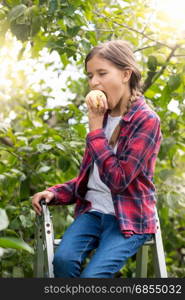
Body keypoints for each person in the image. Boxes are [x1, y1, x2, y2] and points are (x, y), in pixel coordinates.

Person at [32, 40, 162, 278]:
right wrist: (56, 192)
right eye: (90, 75)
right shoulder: (101, 117)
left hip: (129, 218)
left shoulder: (146, 120)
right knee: (62, 260)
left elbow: (118, 180)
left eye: (102, 73)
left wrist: (94, 129)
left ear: (125, 74)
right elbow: (92, 178)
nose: (94, 82)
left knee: (93, 277)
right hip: (92, 212)